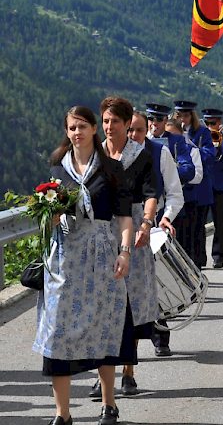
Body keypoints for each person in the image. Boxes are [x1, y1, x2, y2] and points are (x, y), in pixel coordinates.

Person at [36, 106, 134, 425]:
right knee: (58, 330)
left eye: (82, 126)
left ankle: (109, 403)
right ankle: (62, 414)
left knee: (103, 327)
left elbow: (124, 217)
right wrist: (50, 218)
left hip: (103, 253)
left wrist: (125, 252)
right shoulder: (58, 169)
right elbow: (51, 218)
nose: (76, 132)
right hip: (65, 256)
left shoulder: (112, 169)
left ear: (95, 129)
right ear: (67, 132)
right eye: (71, 128)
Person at [99, 97, 158, 398]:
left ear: (126, 124)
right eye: (105, 121)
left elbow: (150, 193)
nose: (109, 127)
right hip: (100, 231)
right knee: (103, 303)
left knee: (129, 301)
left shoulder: (141, 156)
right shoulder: (94, 155)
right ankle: (104, 372)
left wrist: (146, 224)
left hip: (132, 231)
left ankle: (128, 370)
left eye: (115, 122)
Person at [129, 110, 183, 358]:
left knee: (155, 284)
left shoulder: (160, 153)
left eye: (139, 130)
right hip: (120, 228)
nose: (134, 135)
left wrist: (165, 217)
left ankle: (160, 335)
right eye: (130, 130)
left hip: (153, 226)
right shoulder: (110, 155)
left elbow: (174, 193)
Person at [174, 100, 216, 268]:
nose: (183, 119)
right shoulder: (173, 133)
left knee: (198, 228)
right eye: (180, 116)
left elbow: (209, 157)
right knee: (183, 230)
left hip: (200, 188)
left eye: (186, 115)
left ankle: (198, 263)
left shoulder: (202, 132)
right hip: (182, 189)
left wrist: (191, 148)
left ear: (192, 116)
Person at [202, 107, 223, 268]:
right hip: (205, 185)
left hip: (222, 186)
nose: (209, 126)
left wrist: (218, 145)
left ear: (220, 122)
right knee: (199, 224)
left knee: (221, 223)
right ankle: (199, 257)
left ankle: (219, 255)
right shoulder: (202, 138)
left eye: (212, 123)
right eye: (206, 123)